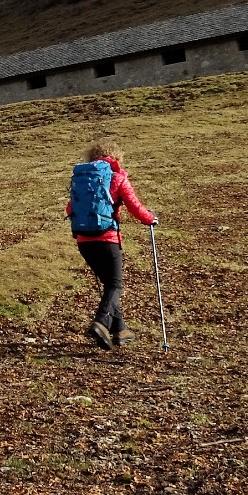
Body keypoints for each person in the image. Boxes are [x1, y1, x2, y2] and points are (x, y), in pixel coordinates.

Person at [66, 140, 156, 350]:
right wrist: (150, 218)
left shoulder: (81, 180)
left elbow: (70, 208)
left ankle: (120, 330)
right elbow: (135, 207)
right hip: (107, 240)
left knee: (109, 285)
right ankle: (101, 322)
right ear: (116, 158)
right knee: (115, 285)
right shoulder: (117, 178)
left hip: (84, 241)